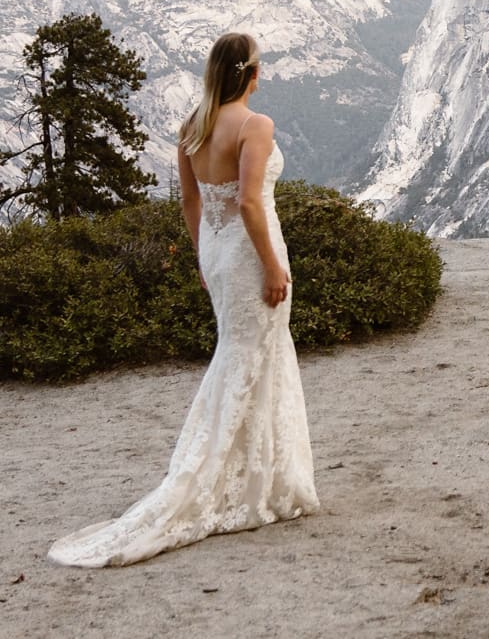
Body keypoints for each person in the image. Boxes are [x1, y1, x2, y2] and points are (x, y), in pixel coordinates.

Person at [49, 32, 319, 567]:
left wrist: (203, 257)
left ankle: (260, 481)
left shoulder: (192, 127)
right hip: (249, 253)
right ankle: (246, 484)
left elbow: (192, 200)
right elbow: (248, 202)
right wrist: (270, 264)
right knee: (252, 357)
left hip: (218, 255)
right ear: (251, 74)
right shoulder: (255, 126)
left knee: (244, 355)